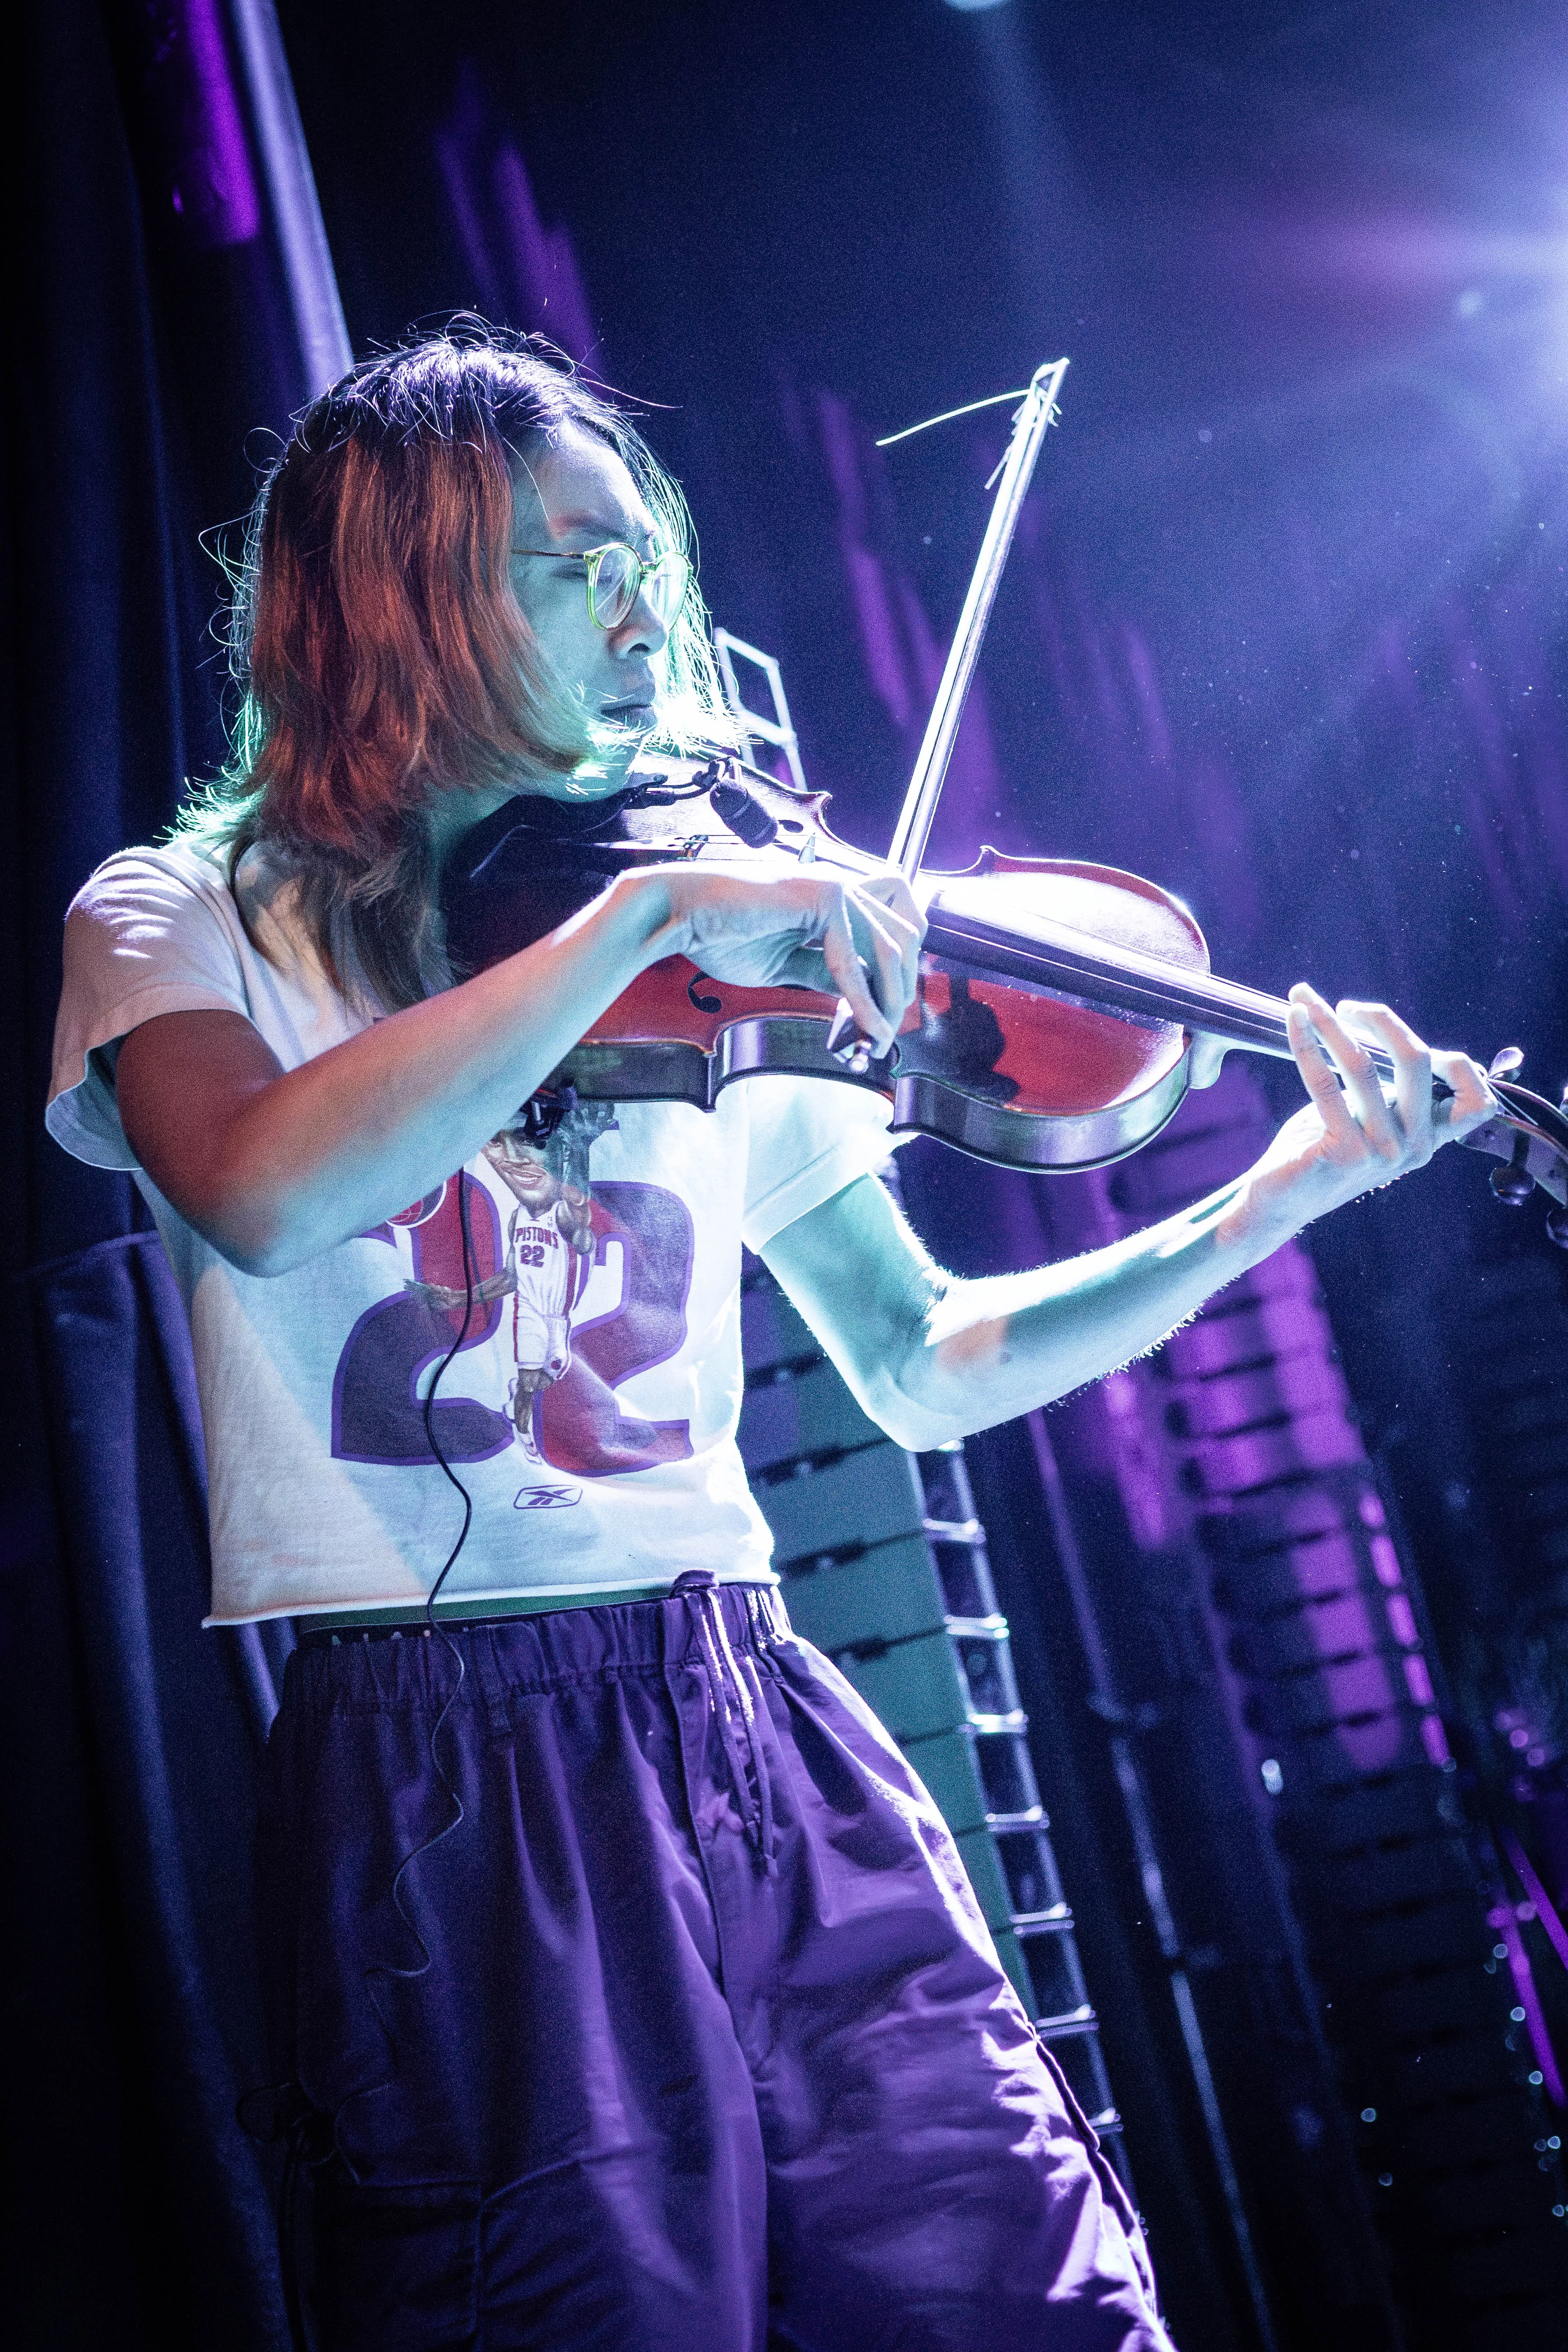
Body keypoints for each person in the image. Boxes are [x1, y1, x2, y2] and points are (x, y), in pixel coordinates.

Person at [46, 330, 1493, 2352]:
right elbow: (260, 1187)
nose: (653, 611)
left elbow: (927, 1363)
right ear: (407, 584)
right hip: (452, 1771)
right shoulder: (186, 917)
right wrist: (631, 933)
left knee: (1035, 2293)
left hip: (748, 1700)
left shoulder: (722, 935)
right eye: (577, 562)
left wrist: (1283, 1197)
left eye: (651, 554)